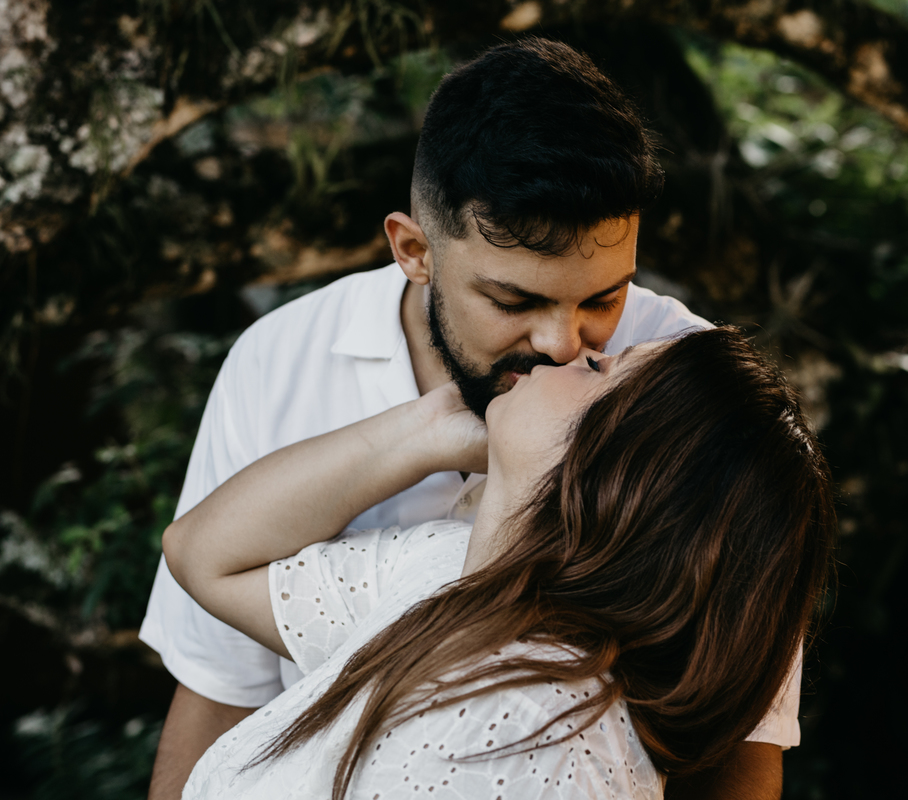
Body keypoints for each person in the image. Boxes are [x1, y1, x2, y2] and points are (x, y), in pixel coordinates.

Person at [141, 38, 802, 799]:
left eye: (603, 298)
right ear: (414, 250)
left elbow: (741, 748)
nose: (564, 345)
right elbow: (220, 680)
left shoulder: (686, 387)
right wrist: (434, 430)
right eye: (514, 300)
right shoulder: (281, 360)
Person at [162, 327, 837, 799]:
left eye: (602, 370)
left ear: (623, 476)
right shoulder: (452, 575)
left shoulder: (524, 739)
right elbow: (201, 555)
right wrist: (427, 429)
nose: (571, 349)